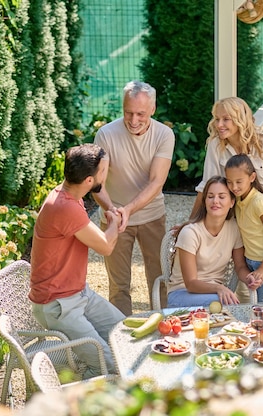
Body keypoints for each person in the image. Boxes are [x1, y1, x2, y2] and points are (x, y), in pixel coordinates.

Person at [29, 143, 125, 378]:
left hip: (78, 294)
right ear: (89, 181)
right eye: (104, 170)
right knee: (107, 364)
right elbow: (105, 246)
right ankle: (79, 392)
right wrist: (115, 222)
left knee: (125, 335)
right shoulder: (65, 207)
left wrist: (110, 209)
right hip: (58, 305)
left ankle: (87, 366)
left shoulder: (70, 195)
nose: (107, 173)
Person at [192, 97, 263, 302]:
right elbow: (207, 186)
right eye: (216, 119)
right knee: (246, 278)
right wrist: (193, 221)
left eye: (226, 119)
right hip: (246, 223)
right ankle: (246, 324)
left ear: (240, 120)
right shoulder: (216, 146)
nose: (219, 125)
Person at [93, 80, 175, 315]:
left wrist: (128, 209)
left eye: (141, 113)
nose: (133, 120)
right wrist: (114, 211)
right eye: (128, 112)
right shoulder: (106, 134)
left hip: (151, 216)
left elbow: (156, 181)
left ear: (153, 109)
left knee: (160, 280)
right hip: (113, 217)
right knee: (118, 286)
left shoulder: (164, 135)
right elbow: (98, 182)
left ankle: (163, 330)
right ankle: (122, 337)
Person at [167, 176, 252, 308]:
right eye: (210, 196)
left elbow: (240, 266)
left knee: (226, 304)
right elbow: (191, 283)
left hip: (214, 294)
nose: (215, 201)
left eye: (222, 197)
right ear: (205, 201)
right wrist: (219, 288)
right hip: (181, 293)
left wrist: (250, 278)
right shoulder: (190, 233)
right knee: (226, 305)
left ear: (232, 202)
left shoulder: (234, 228)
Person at [225, 154, 263, 303]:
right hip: (250, 259)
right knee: (256, 304)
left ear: (252, 177)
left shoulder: (258, 202)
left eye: (239, 181)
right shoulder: (238, 199)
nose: (234, 187)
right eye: (229, 182)